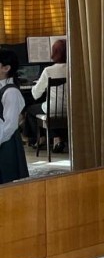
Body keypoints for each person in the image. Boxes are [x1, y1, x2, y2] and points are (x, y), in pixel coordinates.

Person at [24, 38, 68, 150]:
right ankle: (57, 138)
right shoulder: (75, 68)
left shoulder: (48, 70)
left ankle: (43, 138)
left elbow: (36, 94)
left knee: (30, 110)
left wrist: (36, 84)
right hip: (71, 108)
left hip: (53, 108)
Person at [0, 48, 28, 184]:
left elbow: (10, 125)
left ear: (6, 68)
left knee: (6, 179)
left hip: (6, 142)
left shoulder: (11, 92)